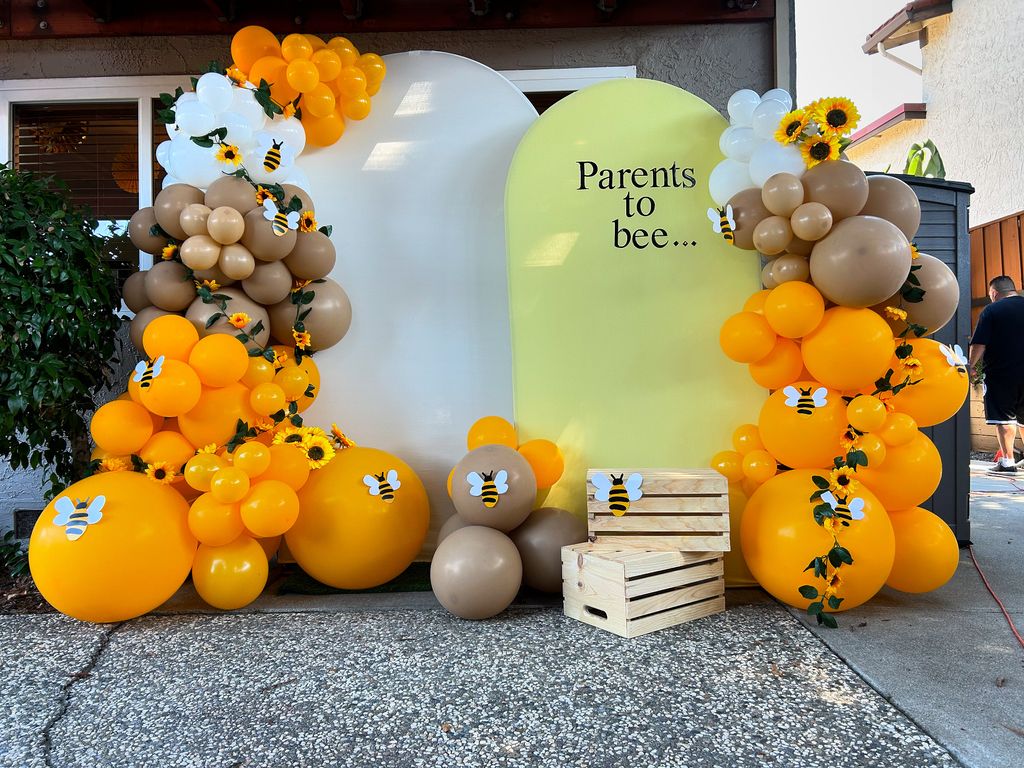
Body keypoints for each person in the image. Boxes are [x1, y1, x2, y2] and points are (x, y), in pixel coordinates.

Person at [969, 275, 1024, 474]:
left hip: (1002, 374)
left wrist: (970, 365)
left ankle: (1008, 462)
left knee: (1004, 419)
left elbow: (979, 343)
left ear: (994, 293)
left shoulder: (992, 310)